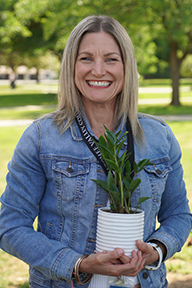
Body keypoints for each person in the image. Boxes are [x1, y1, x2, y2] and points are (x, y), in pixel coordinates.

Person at [0, 15, 191, 288]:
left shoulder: (160, 137)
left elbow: (179, 215)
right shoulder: (41, 138)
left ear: (127, 66)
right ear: (71, 66)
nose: (98, 70)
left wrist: (157, 249)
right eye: (86, 58)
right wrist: (77, 264)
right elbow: (10, 226)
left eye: (111, 59)